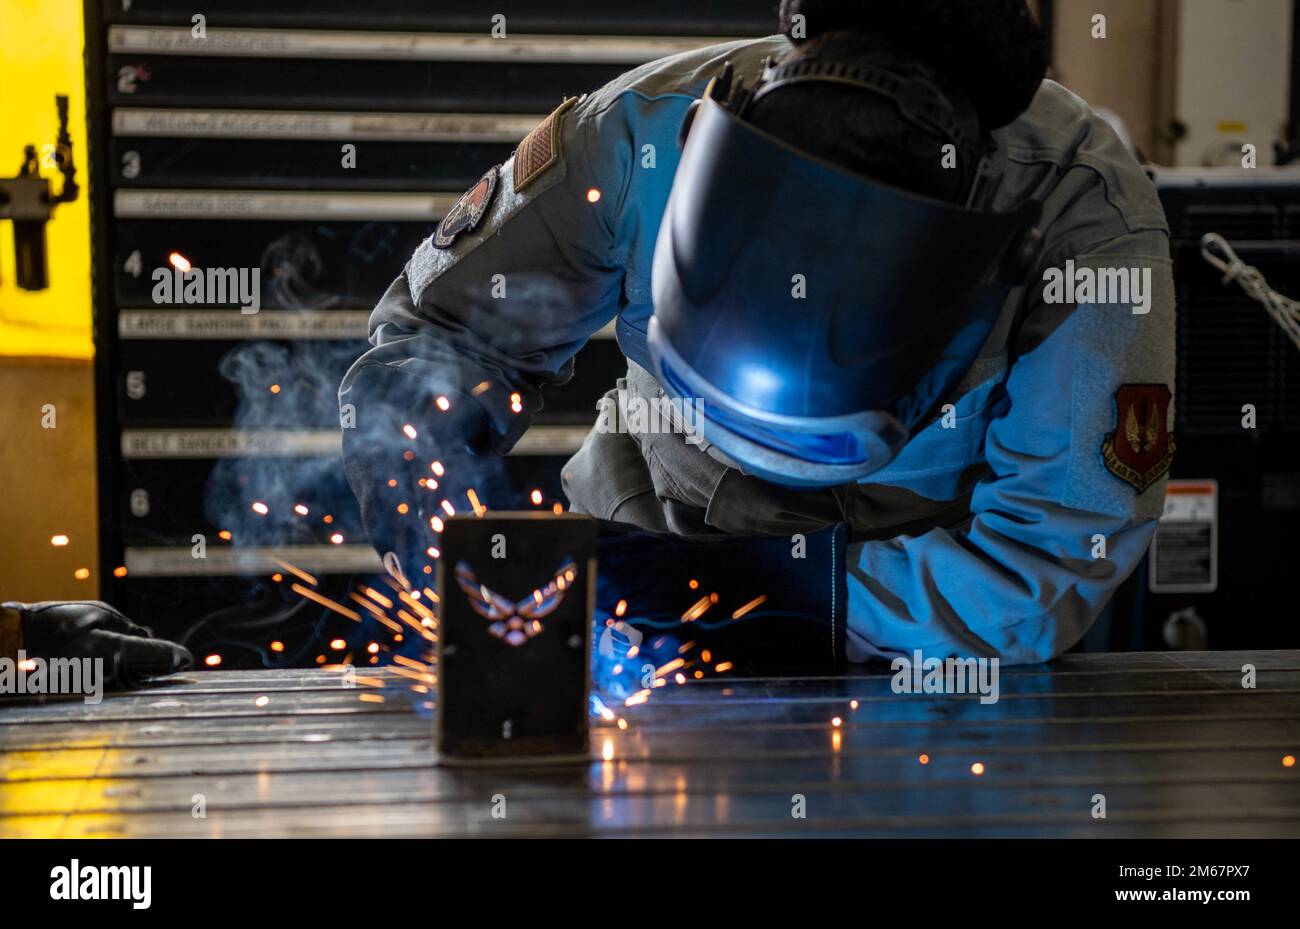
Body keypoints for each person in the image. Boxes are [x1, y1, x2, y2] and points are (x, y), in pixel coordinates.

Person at [339, 0, 1175, 666]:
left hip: (919, 632)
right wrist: (433, 498)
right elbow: (440, 332)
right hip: (639, 564)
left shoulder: (1084, 217)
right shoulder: (637, 137)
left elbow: (1045, 563)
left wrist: (782, 595)